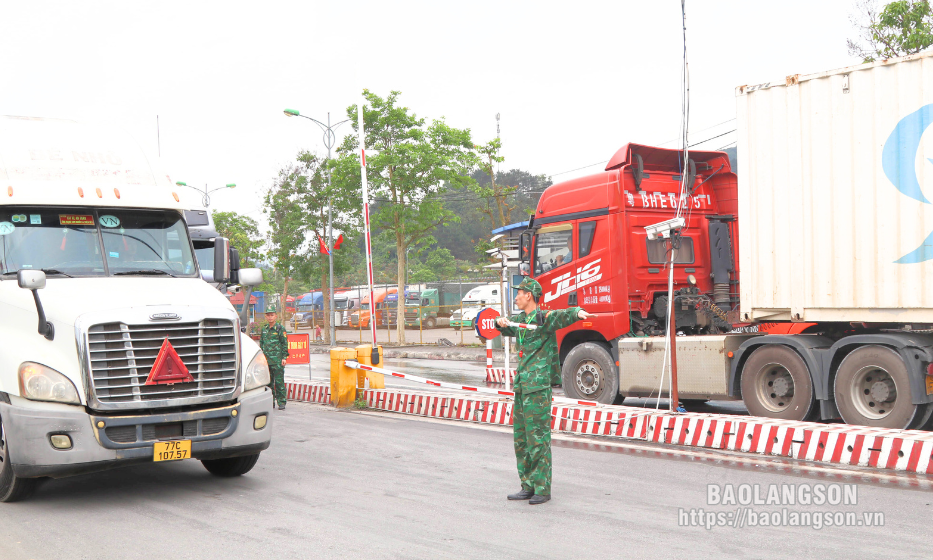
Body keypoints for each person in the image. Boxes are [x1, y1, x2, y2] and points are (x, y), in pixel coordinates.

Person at [496, 277, 591, 505]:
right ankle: (527, 485)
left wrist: (578, 313)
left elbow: (562, 315)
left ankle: (542, 487)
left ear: (529, 295)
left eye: (519, 293)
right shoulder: (520, 320)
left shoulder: (543, 319)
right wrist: (498, 322)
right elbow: (501, 327)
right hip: (522, 385)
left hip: (537, 387)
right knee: (521, 439)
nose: (516, 297)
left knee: (538, 438)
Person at [259, 306, 288, 410]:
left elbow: (284, 343)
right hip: (267, 361)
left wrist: (284, 357)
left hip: (277, 361)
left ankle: (281, 402)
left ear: (275, 316)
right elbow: (261, 344)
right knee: (269, 383)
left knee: (279, 382)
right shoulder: (264, 329)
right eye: (268, 315)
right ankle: (270, 402)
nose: (270, 317)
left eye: (272, 315)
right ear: (266, 317)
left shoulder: (280, 329)